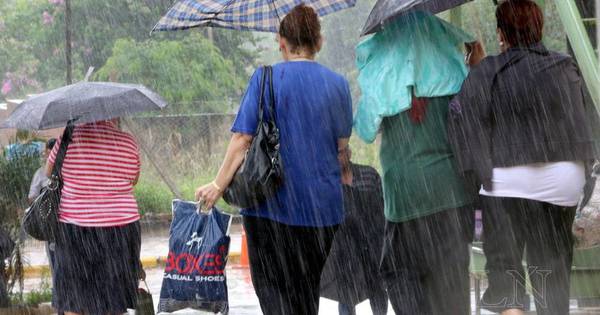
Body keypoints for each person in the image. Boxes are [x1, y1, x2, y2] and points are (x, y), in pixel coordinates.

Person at [194, 4, 353, 314]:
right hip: (322, 211)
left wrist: (217, 185)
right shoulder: (338, 85)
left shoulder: (266, 78)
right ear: (318, 42)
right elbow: (342, 147)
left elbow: (242, 140)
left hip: (271, 208)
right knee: (306, 294)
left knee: (275, 294)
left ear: (281, 42)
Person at [448, 1, 600, 314]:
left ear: (501, 34)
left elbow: (460, 116)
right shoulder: (564, 66)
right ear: (539, 28)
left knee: (505, 269)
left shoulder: (487, 71)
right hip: (562, 180)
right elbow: (581, 120)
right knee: (552, 268)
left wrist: (478, 71)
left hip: (506, 182)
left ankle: (512, 303)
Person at [353, 11, 475, 314]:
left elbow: (365, 130)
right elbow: (474, 116)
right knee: (451, 282)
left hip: (404, 198)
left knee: (402, 275)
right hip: (449, 192)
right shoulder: (450, 65)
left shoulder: (382, 72)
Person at [47, 118, 142, 315]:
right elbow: (133, 179)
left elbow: (50, 173)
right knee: (113, 299)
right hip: (120, 229)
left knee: (74, 298)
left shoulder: (67, 140)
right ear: (111, 114)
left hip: (75, 228)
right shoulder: (127, 141)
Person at [319, 146, 388, 315]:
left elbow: (383, 209)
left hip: (371, 245)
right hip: (343, 250)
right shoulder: (327, 183)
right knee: (345, 295)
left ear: (349, 153)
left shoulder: (369, 176)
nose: (337, 157)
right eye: (333, 154)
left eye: (341, 152)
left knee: (377, 289)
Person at [28, 138, 56, 203]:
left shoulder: (40, 173)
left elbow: (31, 197)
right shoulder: (40, 173)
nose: (53, 158)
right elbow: (31, 198)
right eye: (51, 155)